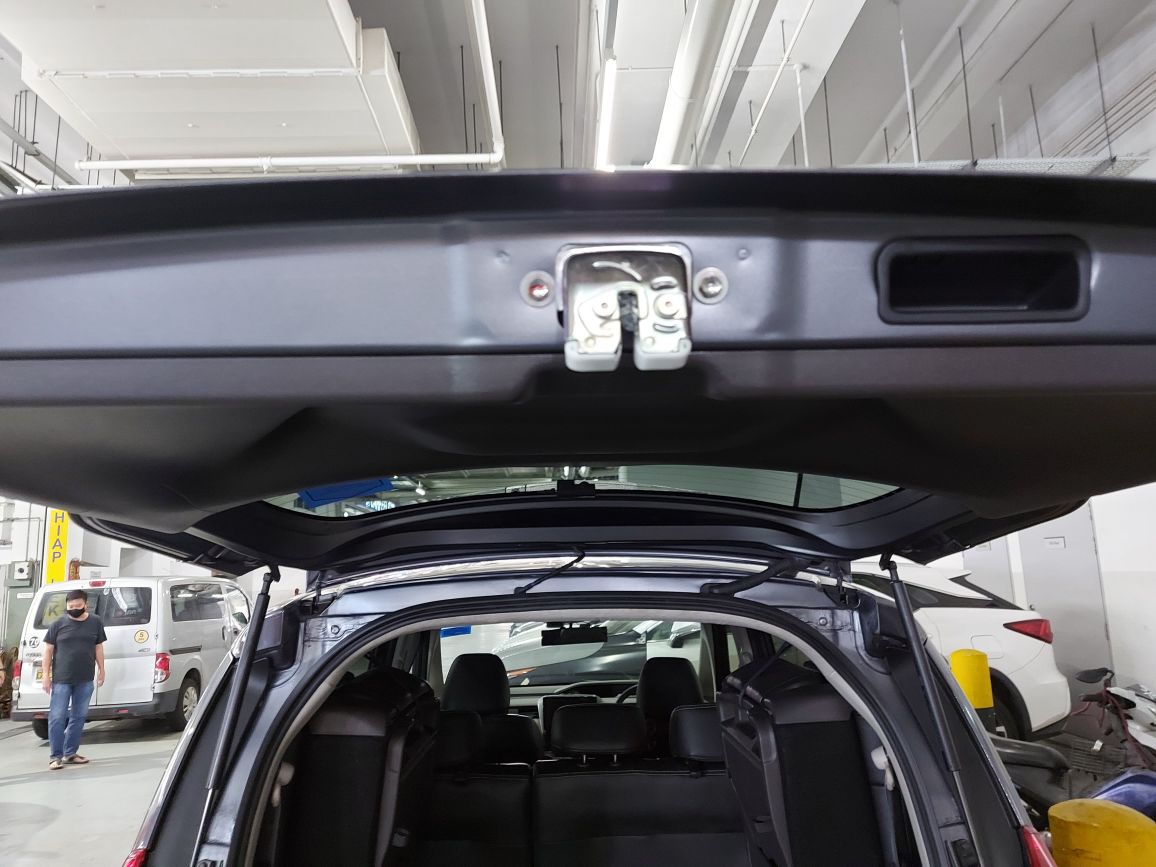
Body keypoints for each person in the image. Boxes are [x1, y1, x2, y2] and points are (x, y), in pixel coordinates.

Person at [42, 588, 106, 770]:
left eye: (78, 606)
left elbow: (98, 647)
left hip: (85, 678)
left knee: (79, 717)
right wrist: (45, 675)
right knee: (57, 717)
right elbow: (48, 650)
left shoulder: (95, 622)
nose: (74, 609)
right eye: (71, 606)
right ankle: (55, 756)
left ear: (86, 604)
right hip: (61, 679)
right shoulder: (58, 623)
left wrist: (102, 669)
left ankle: (70, 753)